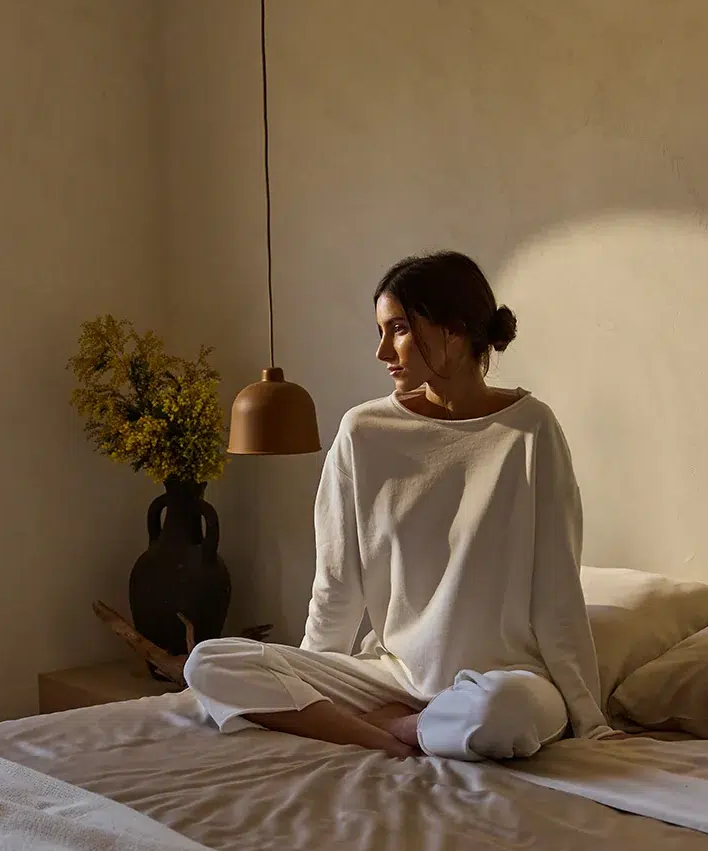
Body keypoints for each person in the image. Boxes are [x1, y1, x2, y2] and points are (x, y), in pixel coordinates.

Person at [185, 251, 612, 760]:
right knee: (209, 662)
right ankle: (383, 732)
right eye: (381, 331)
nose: (382, 350)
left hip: (506, 680)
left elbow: (558, 593)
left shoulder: (530, 429)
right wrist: (308, 680)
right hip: (390, 676)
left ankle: (404, 728)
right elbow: (336, 586)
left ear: (455, 330)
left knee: (504, 714)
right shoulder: (363, 432)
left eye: (399, 329)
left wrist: (592, 723)